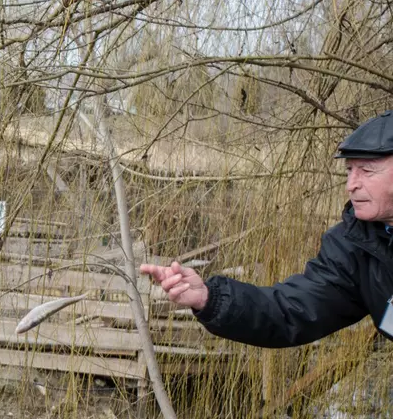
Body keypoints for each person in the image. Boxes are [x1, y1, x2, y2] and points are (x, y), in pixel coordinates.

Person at [140, 110, 393, 348]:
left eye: (367, 171)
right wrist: (209, 299)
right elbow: (291, 310)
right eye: (349, 170)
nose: (351, 185)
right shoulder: (354, 245)